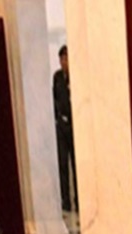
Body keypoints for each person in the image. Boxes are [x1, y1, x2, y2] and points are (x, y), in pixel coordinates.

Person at [53, 44, 78, 213]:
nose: (64, 62)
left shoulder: (75, 76)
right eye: (61, 59)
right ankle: (65, 202)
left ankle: (79, 200)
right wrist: (57, 118)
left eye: (66, 58)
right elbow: (55, 98)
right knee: (63, 164)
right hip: (62, 125)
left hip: (74, 125)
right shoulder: (57, 77)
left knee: (76, 164)